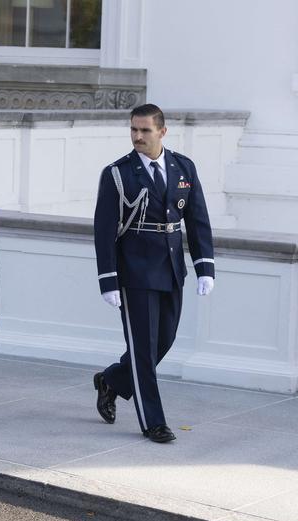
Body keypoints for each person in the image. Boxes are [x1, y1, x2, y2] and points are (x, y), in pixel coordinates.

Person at [92, 103, 215, 444]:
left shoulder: (182, 167)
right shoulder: (118, 173)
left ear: (162, 131)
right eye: (133, 129)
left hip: (173, 268)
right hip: (135, 272)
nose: (137, 136)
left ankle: (112, 381)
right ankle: (153, 422)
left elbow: (198, 220)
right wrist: (108, 279)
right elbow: (103, 230)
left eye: (145, 130)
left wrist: (205, 266)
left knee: (164, 341)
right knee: (143, 350)